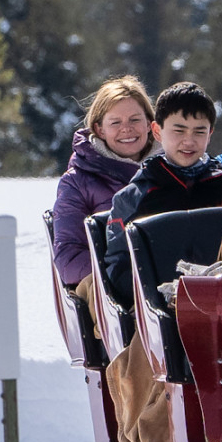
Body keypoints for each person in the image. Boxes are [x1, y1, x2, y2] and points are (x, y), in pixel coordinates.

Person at [101, 81, 222, 302]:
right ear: (157, 131)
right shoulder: (136, 196)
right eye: (179, 130)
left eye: (199, 131)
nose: (188, 141)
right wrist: (154, 293)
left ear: (210, 133)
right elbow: (119, 267)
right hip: (158, 308)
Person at [52, 77, 153, 301]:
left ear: (149, 124)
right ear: (99, 129)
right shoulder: (77, 182)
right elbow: (69, 258)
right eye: (115, 122)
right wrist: (124, 276)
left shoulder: (170, 171)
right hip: (114, 295)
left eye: (135, 119)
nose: (126, 129)